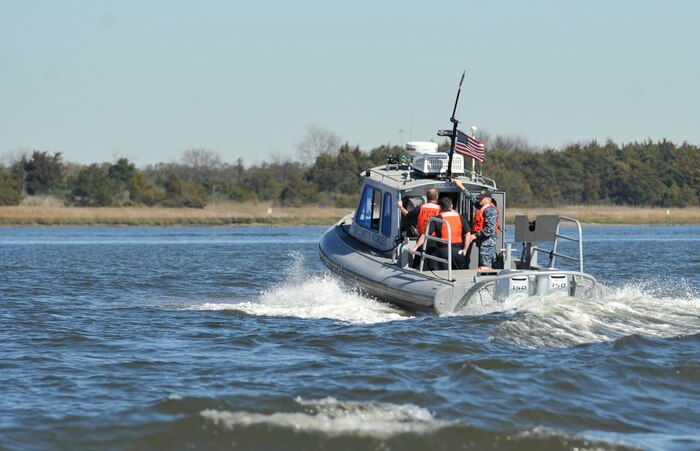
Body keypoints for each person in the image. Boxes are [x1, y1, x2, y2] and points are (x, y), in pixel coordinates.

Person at [454, 179, 500, 269]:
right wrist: (461, 187)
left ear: (488, 199)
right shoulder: (482, 206)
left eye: (482, 198)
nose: (479, 200)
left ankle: (486, 281)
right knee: (482, 264)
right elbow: (472, 199)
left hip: (487, 243)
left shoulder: (490, 210)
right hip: (482, 241)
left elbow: (489, 230)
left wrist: (474, 236)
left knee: (485, 266)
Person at [421, 196, 468, 270]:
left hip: (444, 250)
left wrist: (415, 247)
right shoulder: (460, 217)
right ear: (451, 205)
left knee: (444, 273)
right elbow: (467, 234)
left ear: (441, 207)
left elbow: (425, 234)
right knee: (459, 272)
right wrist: (465, 249)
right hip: (458, 250)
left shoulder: (437, 219)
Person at [398, 188, 441, 268]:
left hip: (421, 238)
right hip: (434, 239)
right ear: (436, 198)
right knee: (433, 262)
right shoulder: (439, 209)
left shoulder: (420, 208)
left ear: (427, 197)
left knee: (417, 261)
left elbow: (408, 215)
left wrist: (401, 207)